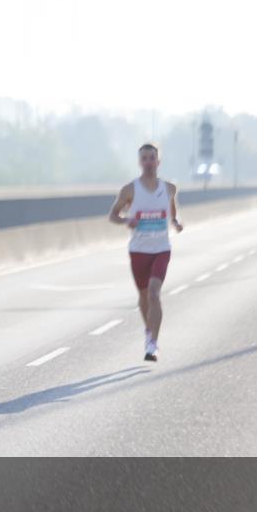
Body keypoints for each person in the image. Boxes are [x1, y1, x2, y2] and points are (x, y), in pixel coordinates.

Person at [109, 143, 183, 362]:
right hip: (139, 251)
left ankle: (153, 344)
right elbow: (113, 215)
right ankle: (149, 331)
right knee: (143, 296)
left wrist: (176, 221)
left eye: (152, 158)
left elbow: (172, 207)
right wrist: (126, 220)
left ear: (158, 162)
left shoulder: (169, 188)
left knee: (153, 293)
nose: (149, 162)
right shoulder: (130, 189)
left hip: (161, 249)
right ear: (139, 162)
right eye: (145, 158)